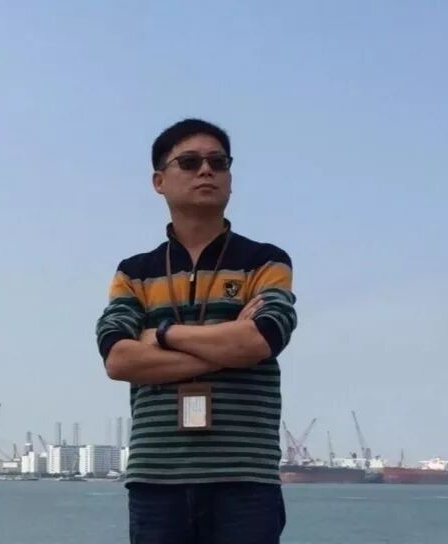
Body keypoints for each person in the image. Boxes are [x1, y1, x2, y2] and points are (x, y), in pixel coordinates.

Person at [95, 118, 299, 544]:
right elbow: (119, 360)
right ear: (159, 181)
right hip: (157, 479)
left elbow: (261, 340)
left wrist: (162, 335)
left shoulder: (265, 262)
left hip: (244, 478)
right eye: (189, 162)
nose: (206, 170)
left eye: (218, 162)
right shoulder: (134, 272)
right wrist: (227, 343)